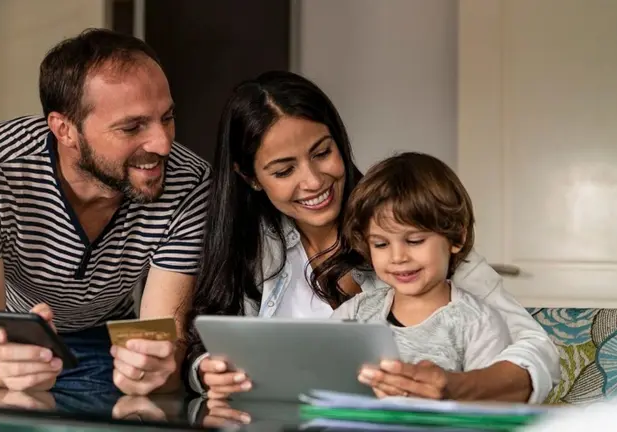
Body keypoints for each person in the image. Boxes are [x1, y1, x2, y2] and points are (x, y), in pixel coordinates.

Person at [183, 70, 560, 404]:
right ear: (250, 179)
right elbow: (207, 346)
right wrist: (207, 372)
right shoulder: (250, 246)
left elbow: (536, 351)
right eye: (284, 171)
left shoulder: (414, 228)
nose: (313, 181)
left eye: (322, 152)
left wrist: (454, 386)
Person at [0, 28, 210, 395]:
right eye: (132, 126)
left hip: (110, 343)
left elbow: (164, 332)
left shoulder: (189, 180)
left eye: (167, 117)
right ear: (64, 129)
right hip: (9, 338)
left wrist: (156, 363)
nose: (162, 144)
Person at [330, 152, 513, 398]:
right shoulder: (354, 313)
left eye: (414, 240)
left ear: (457, 238)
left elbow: (486, 410)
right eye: (381, 244)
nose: (398, 257)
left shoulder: (478, 324)